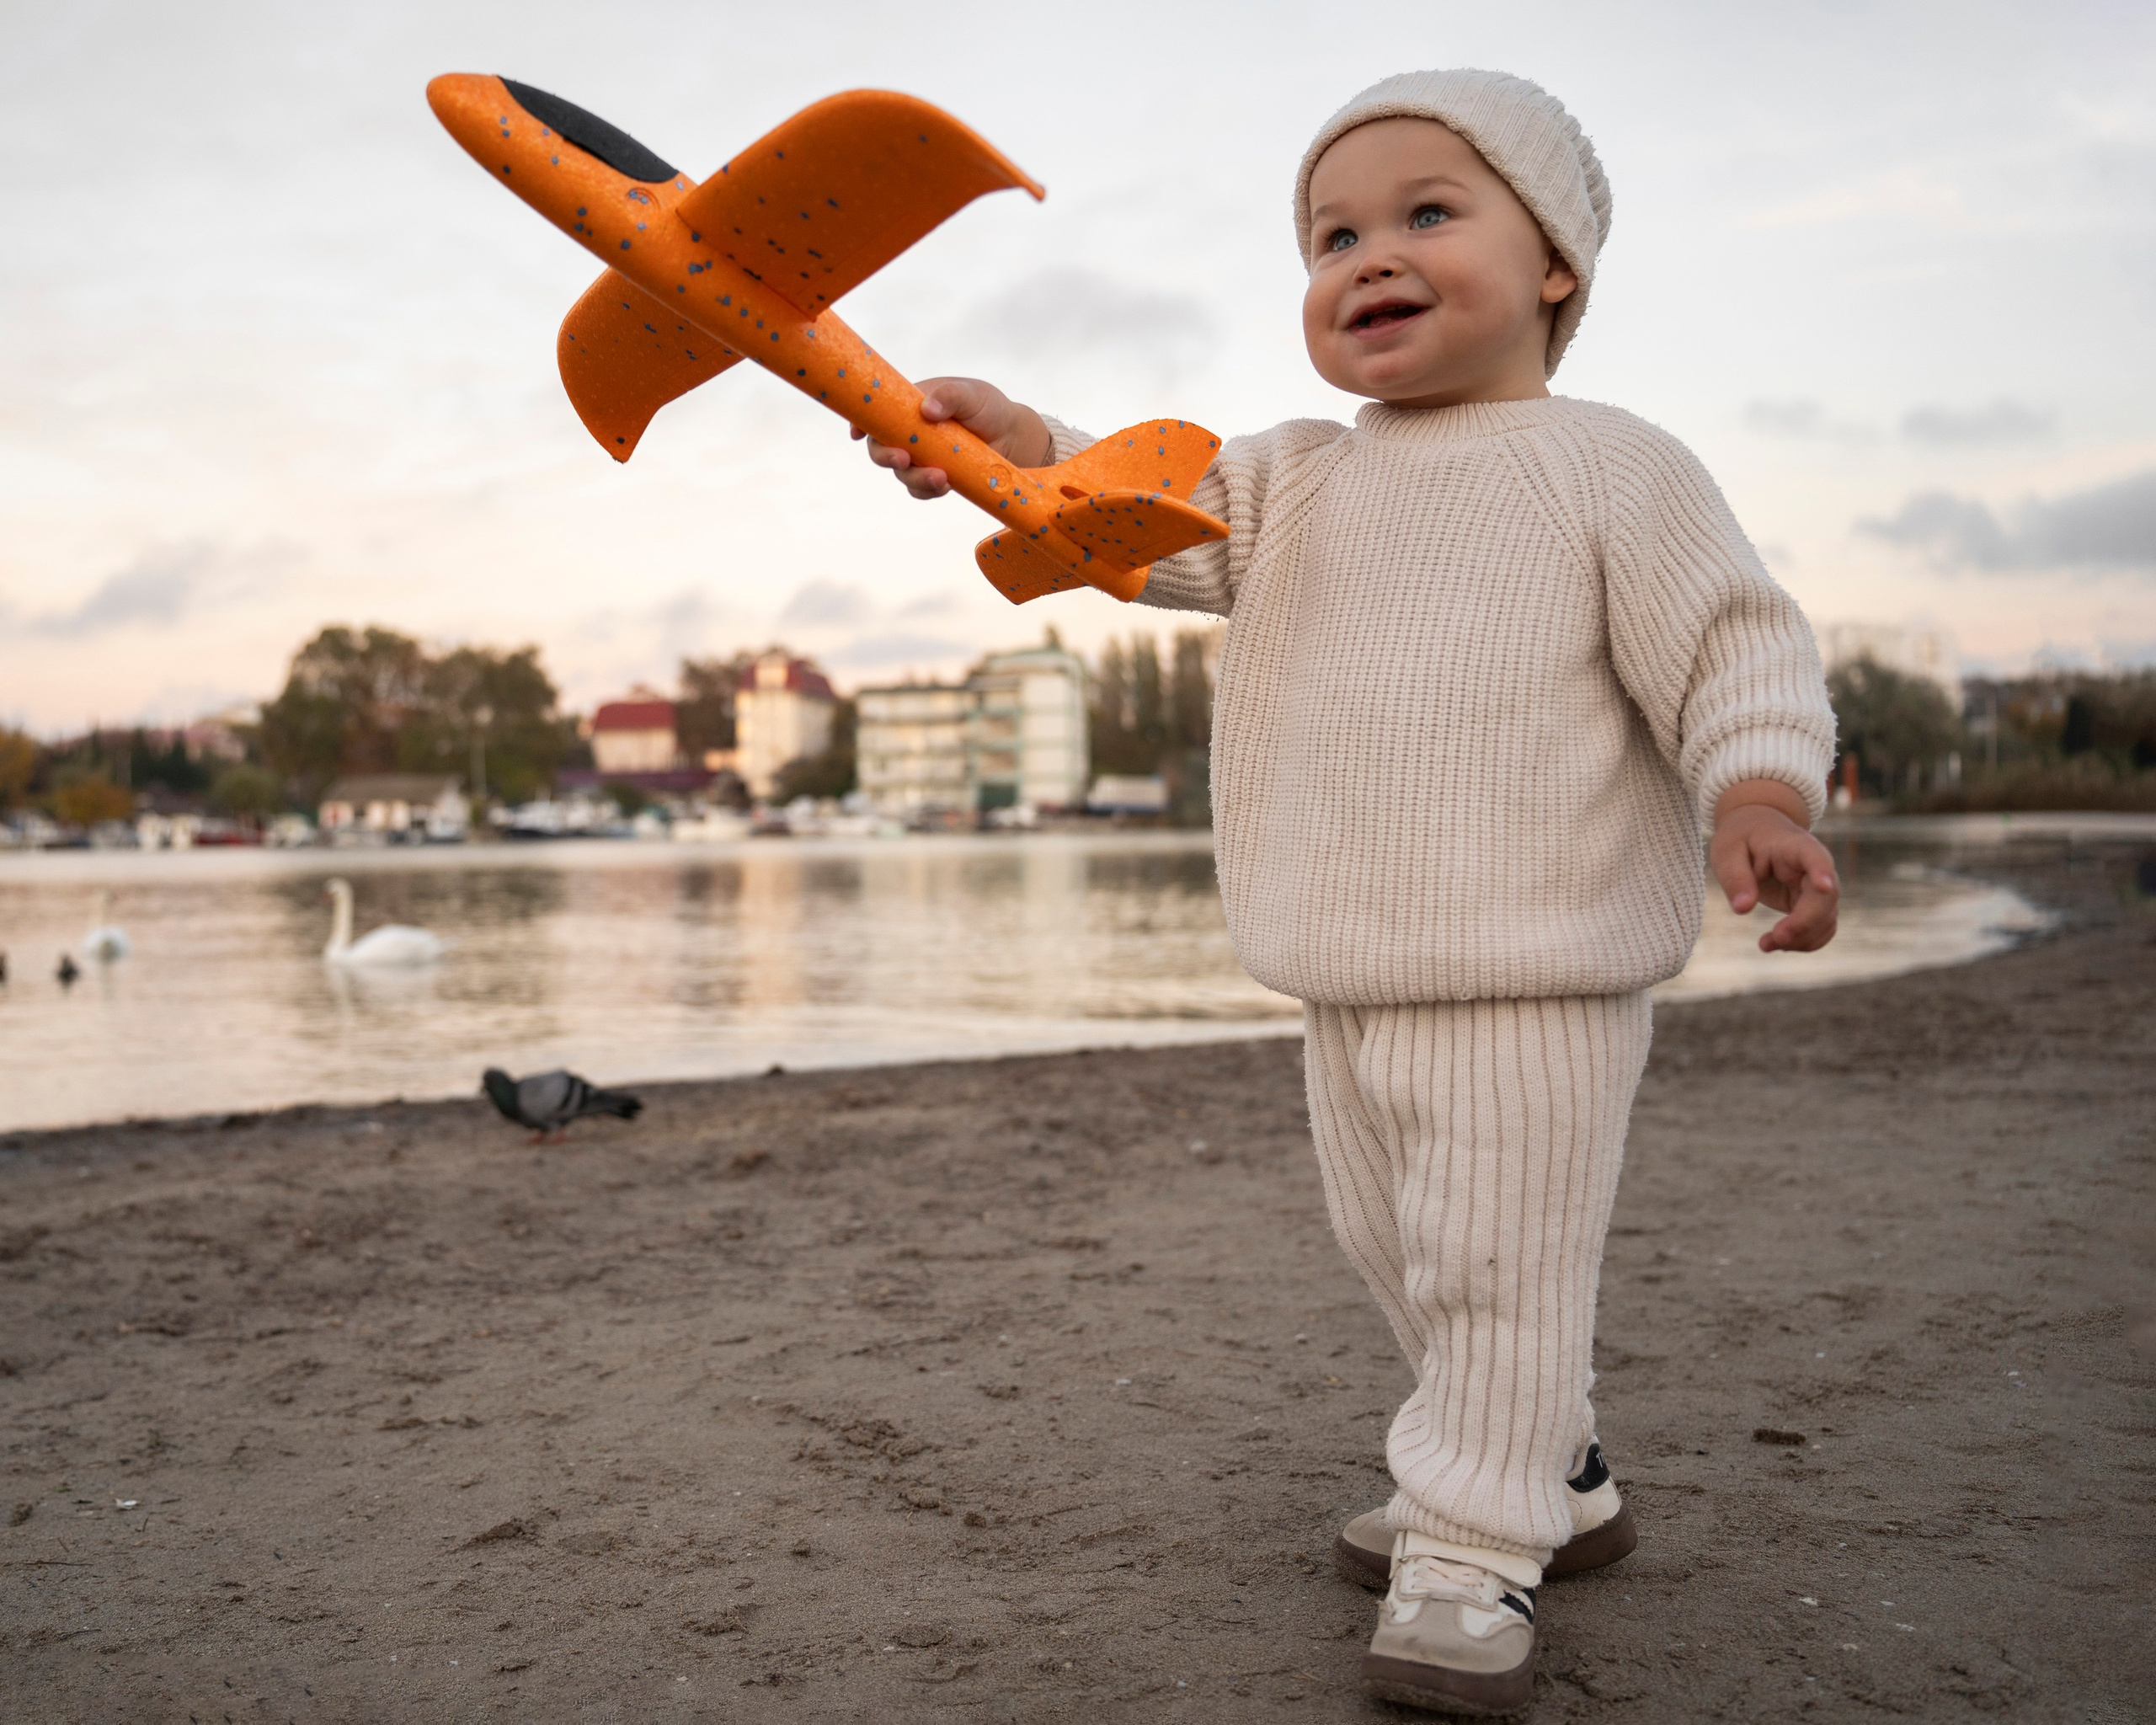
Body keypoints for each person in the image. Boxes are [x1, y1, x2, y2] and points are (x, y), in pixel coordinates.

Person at [857, 68, 1840, 1717]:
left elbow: (1732, 641)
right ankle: (1560, 1470)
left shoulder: (1609, 465)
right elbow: (1125, 516)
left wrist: (1754, 790)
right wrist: (1016, 448)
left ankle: (1473, 1539)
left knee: (1493, 1263)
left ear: (1553, 267)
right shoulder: (1292, 477)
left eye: (1424, 214)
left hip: (1532, 965)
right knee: (1395, 1246)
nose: (1364, 257)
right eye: (1329, 236)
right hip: (1344, 963)